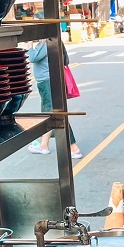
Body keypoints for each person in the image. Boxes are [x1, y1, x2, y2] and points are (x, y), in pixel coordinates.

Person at [27, 30, 82, 159]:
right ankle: (43, 144)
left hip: (47, 82)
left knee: (53, 114)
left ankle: (73, 147)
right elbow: (66, 60)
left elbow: (32, 57)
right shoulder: (56, 42)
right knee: (52, 113)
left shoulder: (46, 43)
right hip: (53, 80)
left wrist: (29, 44)